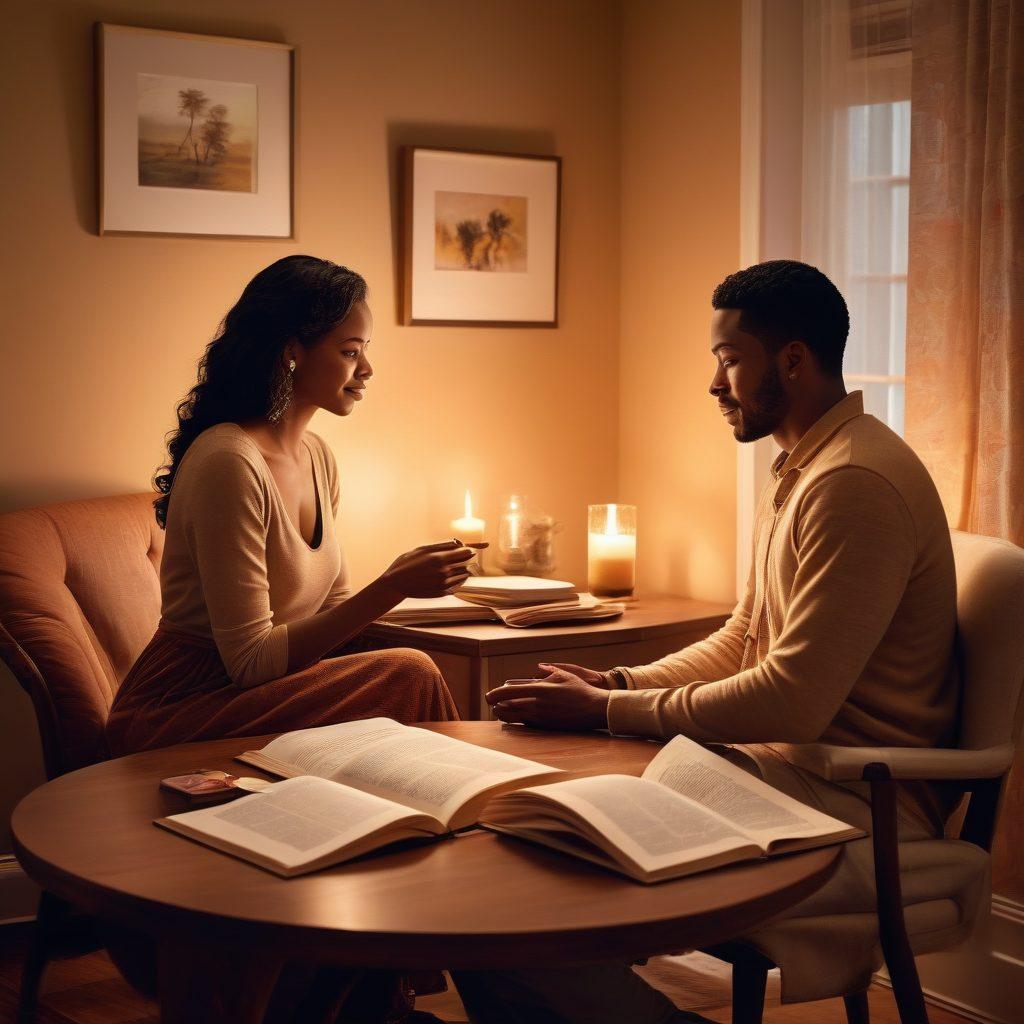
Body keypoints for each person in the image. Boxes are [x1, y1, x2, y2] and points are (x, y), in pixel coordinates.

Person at [464, 260, 971, 1022]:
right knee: (533, 820)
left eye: (729, 359)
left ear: (792, 361)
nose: (713, 382)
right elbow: (745, 638)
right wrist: (621, 687)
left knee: (545, 855)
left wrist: (607, 715)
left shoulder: (855, 484)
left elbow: (793, 700)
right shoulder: (806, 469)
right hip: (787, 774)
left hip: (858, 798)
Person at [106, 255, 475, 756]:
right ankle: (461, 808)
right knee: (409, 672)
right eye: (349, 351)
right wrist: (392, 586)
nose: (366, 369)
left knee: (413, 662)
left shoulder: (316, 455)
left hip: (265, 691)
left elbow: (332, 608)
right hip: (183, 704)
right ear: (291, 352)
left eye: (364, 350)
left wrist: (431, 610)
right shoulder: (229, 462)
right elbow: (250, 661)